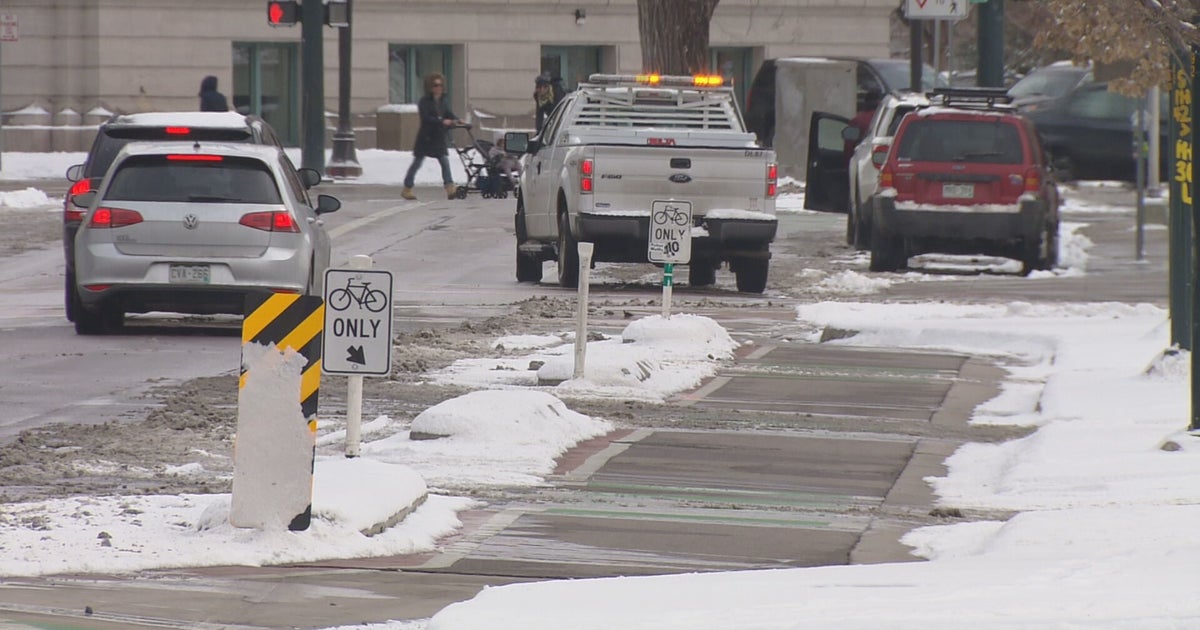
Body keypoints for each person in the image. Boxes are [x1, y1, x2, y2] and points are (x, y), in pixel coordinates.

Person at [402, 73, 463, 201]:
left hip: (438, 137)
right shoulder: (424, 102)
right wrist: (441, 121)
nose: (438, 88)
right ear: (430, 87)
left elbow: (448, 114)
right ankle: (407, 188)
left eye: (440, 85)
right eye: (435, 85)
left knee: (444, 162)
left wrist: (457, 120)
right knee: (417, 163)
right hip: (426, 137)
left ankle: (450, 187)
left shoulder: (443, 101)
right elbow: (426, 118)